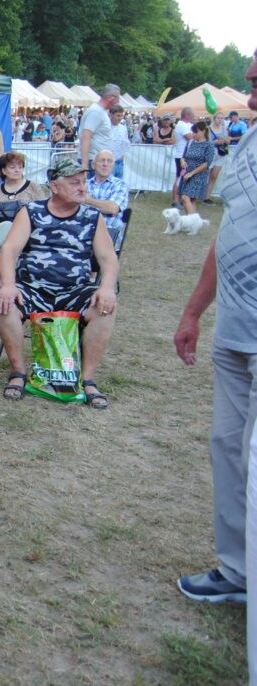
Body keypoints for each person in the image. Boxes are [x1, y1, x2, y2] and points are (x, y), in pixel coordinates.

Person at [173, 51, 257, 682]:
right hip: (234, 327)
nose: (249, 92)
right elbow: (228, 233)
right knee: (226, 446)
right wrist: (195, 311)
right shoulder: (249, 139)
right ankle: (236, 571)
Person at [0, 158, 119, 407]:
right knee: (5, 303)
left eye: (83, 182)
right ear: (54, 185)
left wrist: (106, 288)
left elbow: (108, 258)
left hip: (75, 290)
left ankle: (87, 380)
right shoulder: (31, 212)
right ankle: (18, 372)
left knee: (104, 308)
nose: (82, 188)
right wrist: (8, 284)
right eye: (74, 183)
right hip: (32, 288)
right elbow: (8, 250)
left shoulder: (92, 217)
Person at [0, 151, 50, 266]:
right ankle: (1, 282)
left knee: (8, 229)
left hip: (28, 231)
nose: (17, 170)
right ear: (4, 170)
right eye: (13, 167)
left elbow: (44, 212)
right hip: (2, 233)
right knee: (5, 232)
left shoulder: (33, 187)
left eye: (20, 167)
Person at [84, 150, 129, 248]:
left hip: (108, 234)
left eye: (109, 161)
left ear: (113, 165)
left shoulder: (120, 185)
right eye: (102, 161)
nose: (105, 164)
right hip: (84, 232)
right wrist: (102, 205)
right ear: (93, 164)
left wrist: (87, 200)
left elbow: (112, 208)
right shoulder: (84, 184)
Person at [79, 85, 120, 172]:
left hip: (97, 161)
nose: (117, 103)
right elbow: (86, 137)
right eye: (117, 99)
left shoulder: (101, 111)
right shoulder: (96, 112)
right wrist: (85, 165)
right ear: (111, 98)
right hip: (93, 162)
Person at [179, 121, 216, 217]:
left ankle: (192, 221)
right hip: (187, 173)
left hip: (199, 175)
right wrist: (183, 162)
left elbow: (207, 163)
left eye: (196, 132)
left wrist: (192, 173)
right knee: (191, 200)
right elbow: (183, 156)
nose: (194, 134)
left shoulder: (209, 145)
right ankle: (191, 222)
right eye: (193, 132)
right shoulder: (190, 143)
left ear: (203, 131)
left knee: (185, 197)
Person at [171, 107, 197, 207]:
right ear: (187, 115)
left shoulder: (188, 125)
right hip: (181, 155)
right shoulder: (181, 125)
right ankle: (175, 200)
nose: (193, 117)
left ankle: (181, 199)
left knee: (184, 178)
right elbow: (190, 137)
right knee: (180, 177)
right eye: (192, 115)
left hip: (186, 154)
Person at [206, 113, 230, 204]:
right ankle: (199, 193)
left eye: (222, 118)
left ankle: (207, 197)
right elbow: (207, 142)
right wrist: (214, 142)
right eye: (218, 118)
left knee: (214, 175)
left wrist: (224, 139)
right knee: (206, 174)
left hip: (220, 154)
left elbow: (228, 141)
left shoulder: (224, 129)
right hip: (211, 153)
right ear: (214, 119)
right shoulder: (208, 129)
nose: (220, 120)